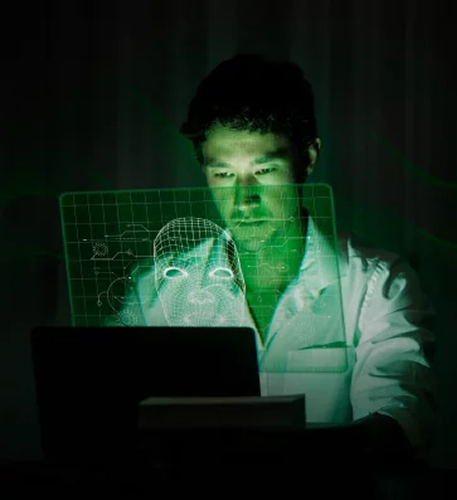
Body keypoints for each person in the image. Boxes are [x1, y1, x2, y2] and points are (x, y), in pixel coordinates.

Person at [112, 54, 436, 464]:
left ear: (308, 158)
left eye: (264, 171)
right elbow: (113, 415)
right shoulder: (157, 288)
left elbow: (400, 417)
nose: (244, 199)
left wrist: (281, 454)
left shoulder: (378, 284)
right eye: (224, 174)